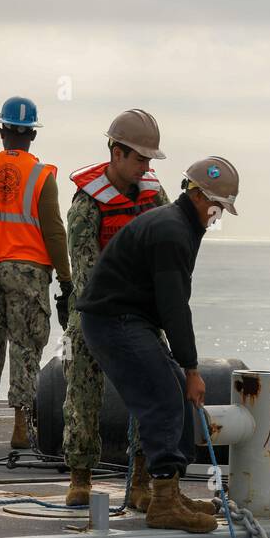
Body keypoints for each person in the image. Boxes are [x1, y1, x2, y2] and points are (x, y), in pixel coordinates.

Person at [78, 157, 239, 533]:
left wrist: (186, 371)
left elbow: (170, 303)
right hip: (113, 321)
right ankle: (163, 503)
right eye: (216, 206)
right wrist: (192, 368)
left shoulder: (180, 224)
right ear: (197, 196)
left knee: (177, 393)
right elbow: (174, 306)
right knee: (166, 394)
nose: (218, 215)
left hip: (128, 319)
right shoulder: (172, 231)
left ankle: (169, 490)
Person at [63, 109, 169, 508]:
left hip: (139, 310)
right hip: (94, 309)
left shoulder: (155, 196)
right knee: (81, 391)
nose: (145, 167)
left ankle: (142, 477)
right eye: (140, 159)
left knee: (152, 388)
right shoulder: (86, 203)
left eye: (148, 160)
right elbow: (85, 270)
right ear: (116, 153)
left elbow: (168, 250)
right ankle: (81, 475)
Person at [0, 96, 72, 451]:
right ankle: (22, 429)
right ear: (31, 136)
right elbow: (54, 231)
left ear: (2, 131)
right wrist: (66, 279)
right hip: (29, 273)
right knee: (25, 347)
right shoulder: (42, 176)